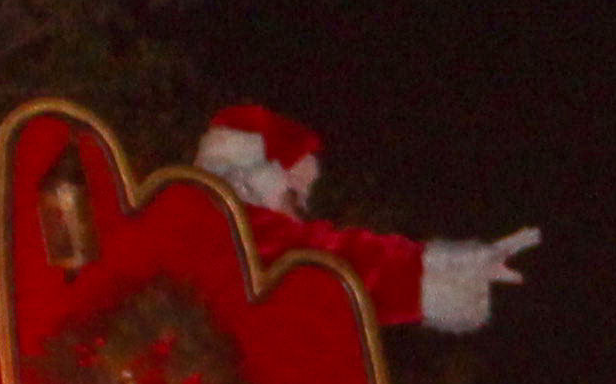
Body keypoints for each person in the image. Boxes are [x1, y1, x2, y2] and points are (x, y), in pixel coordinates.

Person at [192, 100, 541, 333]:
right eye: (293, 194)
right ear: (259, 178)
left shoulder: (223, 229)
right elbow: (337, 261)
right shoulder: (230, 227)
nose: (300, 211)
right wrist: (444, 269)